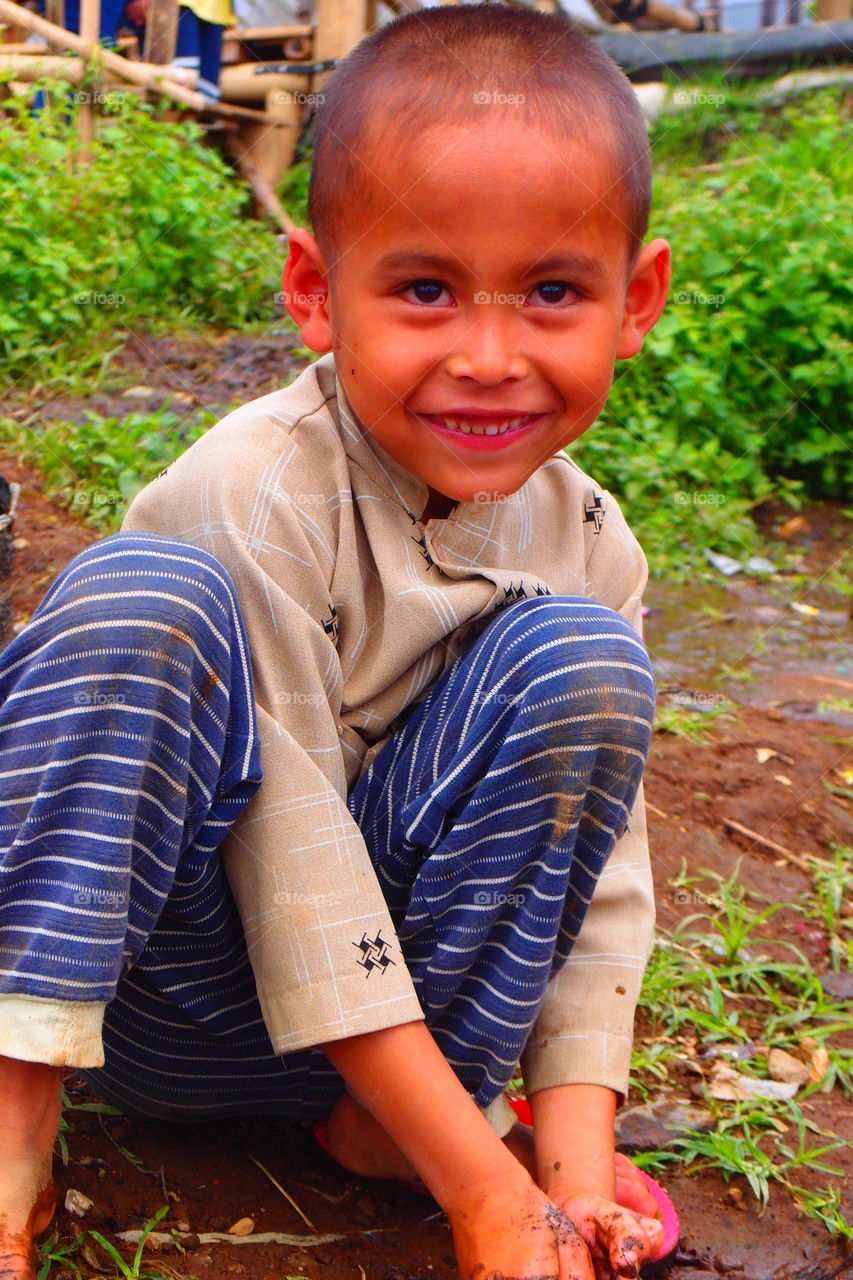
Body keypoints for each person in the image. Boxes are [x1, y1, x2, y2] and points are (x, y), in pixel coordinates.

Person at [0, 5, 673, 1278]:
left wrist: (571, 1172)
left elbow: (604, 876)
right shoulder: (254, 493)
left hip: (411, 1033)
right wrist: (482, 1186)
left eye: (551, 291)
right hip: (181, 1003)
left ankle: (390, 1125)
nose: (488, 355)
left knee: (581, 658)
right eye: (423, 289)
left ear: (633, 301)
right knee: (143, 596)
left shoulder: (588, 536)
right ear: (315, 290)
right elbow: (291, 848)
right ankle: (11, 1134)